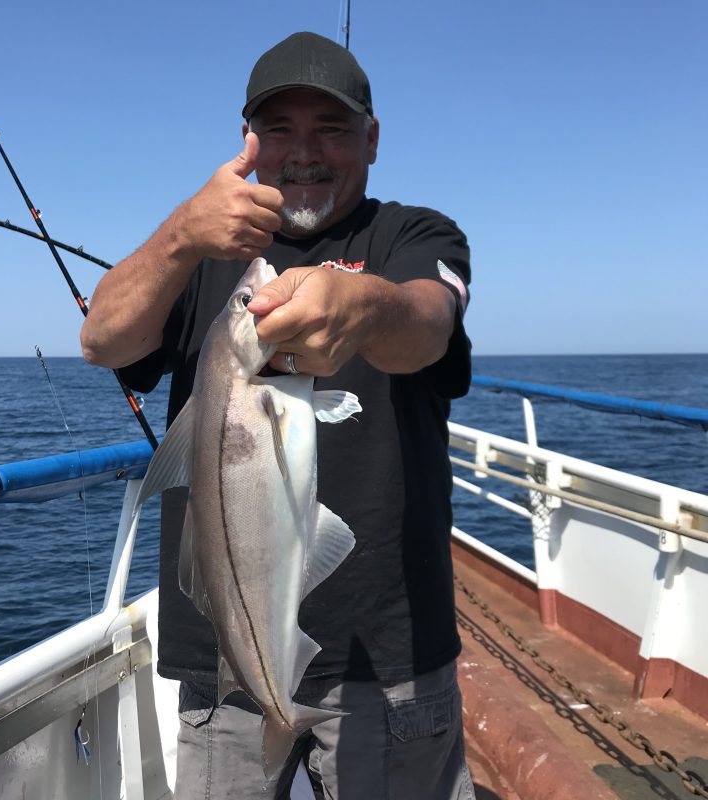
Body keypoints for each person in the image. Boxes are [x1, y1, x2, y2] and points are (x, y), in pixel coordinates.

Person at [81, 31, 474, 800]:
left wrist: (363, 305)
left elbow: (427, 323)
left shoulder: (415, 236)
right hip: (225, 661)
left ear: (372, 140)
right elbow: (101, 338)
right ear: (247, 142)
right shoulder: (200, 256)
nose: (305, 151)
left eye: (331, 127)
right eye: (280, 128)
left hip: (389, 656)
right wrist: (181, 236)